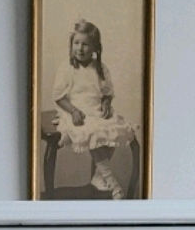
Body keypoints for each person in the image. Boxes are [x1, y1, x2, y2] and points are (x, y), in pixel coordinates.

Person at [52, 19, 137, 199]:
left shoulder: (100, 69)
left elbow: (107, 92)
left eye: (85, 44)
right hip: (76, 111)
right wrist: (74, 111)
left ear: (95, 48)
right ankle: (113, 183)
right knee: (92, 132)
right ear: (71, 45)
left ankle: (99, 177)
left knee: (113, 131)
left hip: (96, 110)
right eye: (76, 43)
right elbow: (59, 96)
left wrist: (106, 103)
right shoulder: (67, 68)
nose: (80, 48)